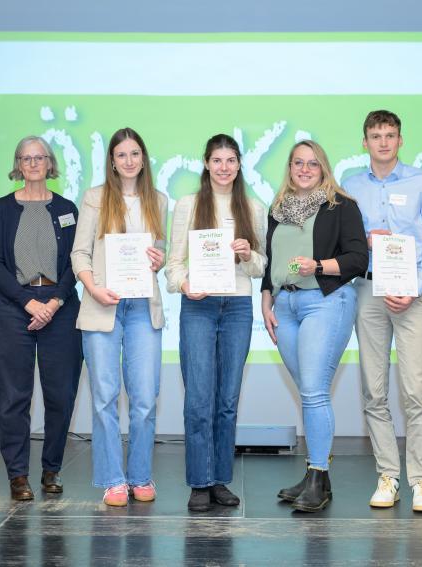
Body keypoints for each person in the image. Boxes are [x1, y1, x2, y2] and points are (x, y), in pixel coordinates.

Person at [342, 110, 422, 512]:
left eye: (390, 135)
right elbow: (344, 243)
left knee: (417, 391)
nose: (383, 142)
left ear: (400, 140)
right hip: (368, 291)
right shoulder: (350, 187)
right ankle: (388, 476)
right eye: (376, 135)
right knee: (374, 390)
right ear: (364, 142)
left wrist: (414, 286)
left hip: (412, 295)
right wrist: (364, 240)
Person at [262, 140, 368, 513]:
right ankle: (314, 476)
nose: (304, 169)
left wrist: (319, 266)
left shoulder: (342, 206)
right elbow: (271, 260)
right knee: (309, 391)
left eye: (312, 163)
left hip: (326, 301)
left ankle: (318, 478)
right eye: (298, 163)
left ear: (323, 167)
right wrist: (266, 299)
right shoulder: (277, 209)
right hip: (285, 306)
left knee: (314, 392)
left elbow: (358, 259)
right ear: (290, 168)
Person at [166, 134, 267, 512]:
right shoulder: (188, 205)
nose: (224, 167)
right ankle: (199, 481)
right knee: (198, 399)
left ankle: (220, 478)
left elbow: (262, 266)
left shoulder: (253, 208)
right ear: (206, 164)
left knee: (226, 400)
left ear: (239, 165)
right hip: (199, 306)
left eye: (231, 160)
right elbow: (174, 264)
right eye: (217, 160)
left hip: (238, 307)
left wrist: (248, 255)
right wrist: (184, 285)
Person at [71, 128, 167, 507]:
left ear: (144, 159)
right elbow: (79, 254)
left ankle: (141, 476)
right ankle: (113, 480)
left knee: (144, 398)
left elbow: (159, 252)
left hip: (143, 307)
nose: (129, 160)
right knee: (104, 398)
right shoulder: (94, 198)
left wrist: (158, 259)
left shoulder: (158, 200)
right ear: (112, 160)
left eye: (135, 153)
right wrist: (94, 288)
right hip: (102, 306)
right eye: (122, 154)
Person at [0, 136, 82, 501]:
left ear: (50, 163)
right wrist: (28, 302)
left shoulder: (67, 208)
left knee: (61, 394)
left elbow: (77, 262)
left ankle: (52, 469)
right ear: (18, 165)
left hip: (60, 306)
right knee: (13, 396)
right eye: (26, 158)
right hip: (13, 307)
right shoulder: (2, 208)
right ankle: (18, 475)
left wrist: (54, 302)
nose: (33, 163)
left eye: (39, 157)